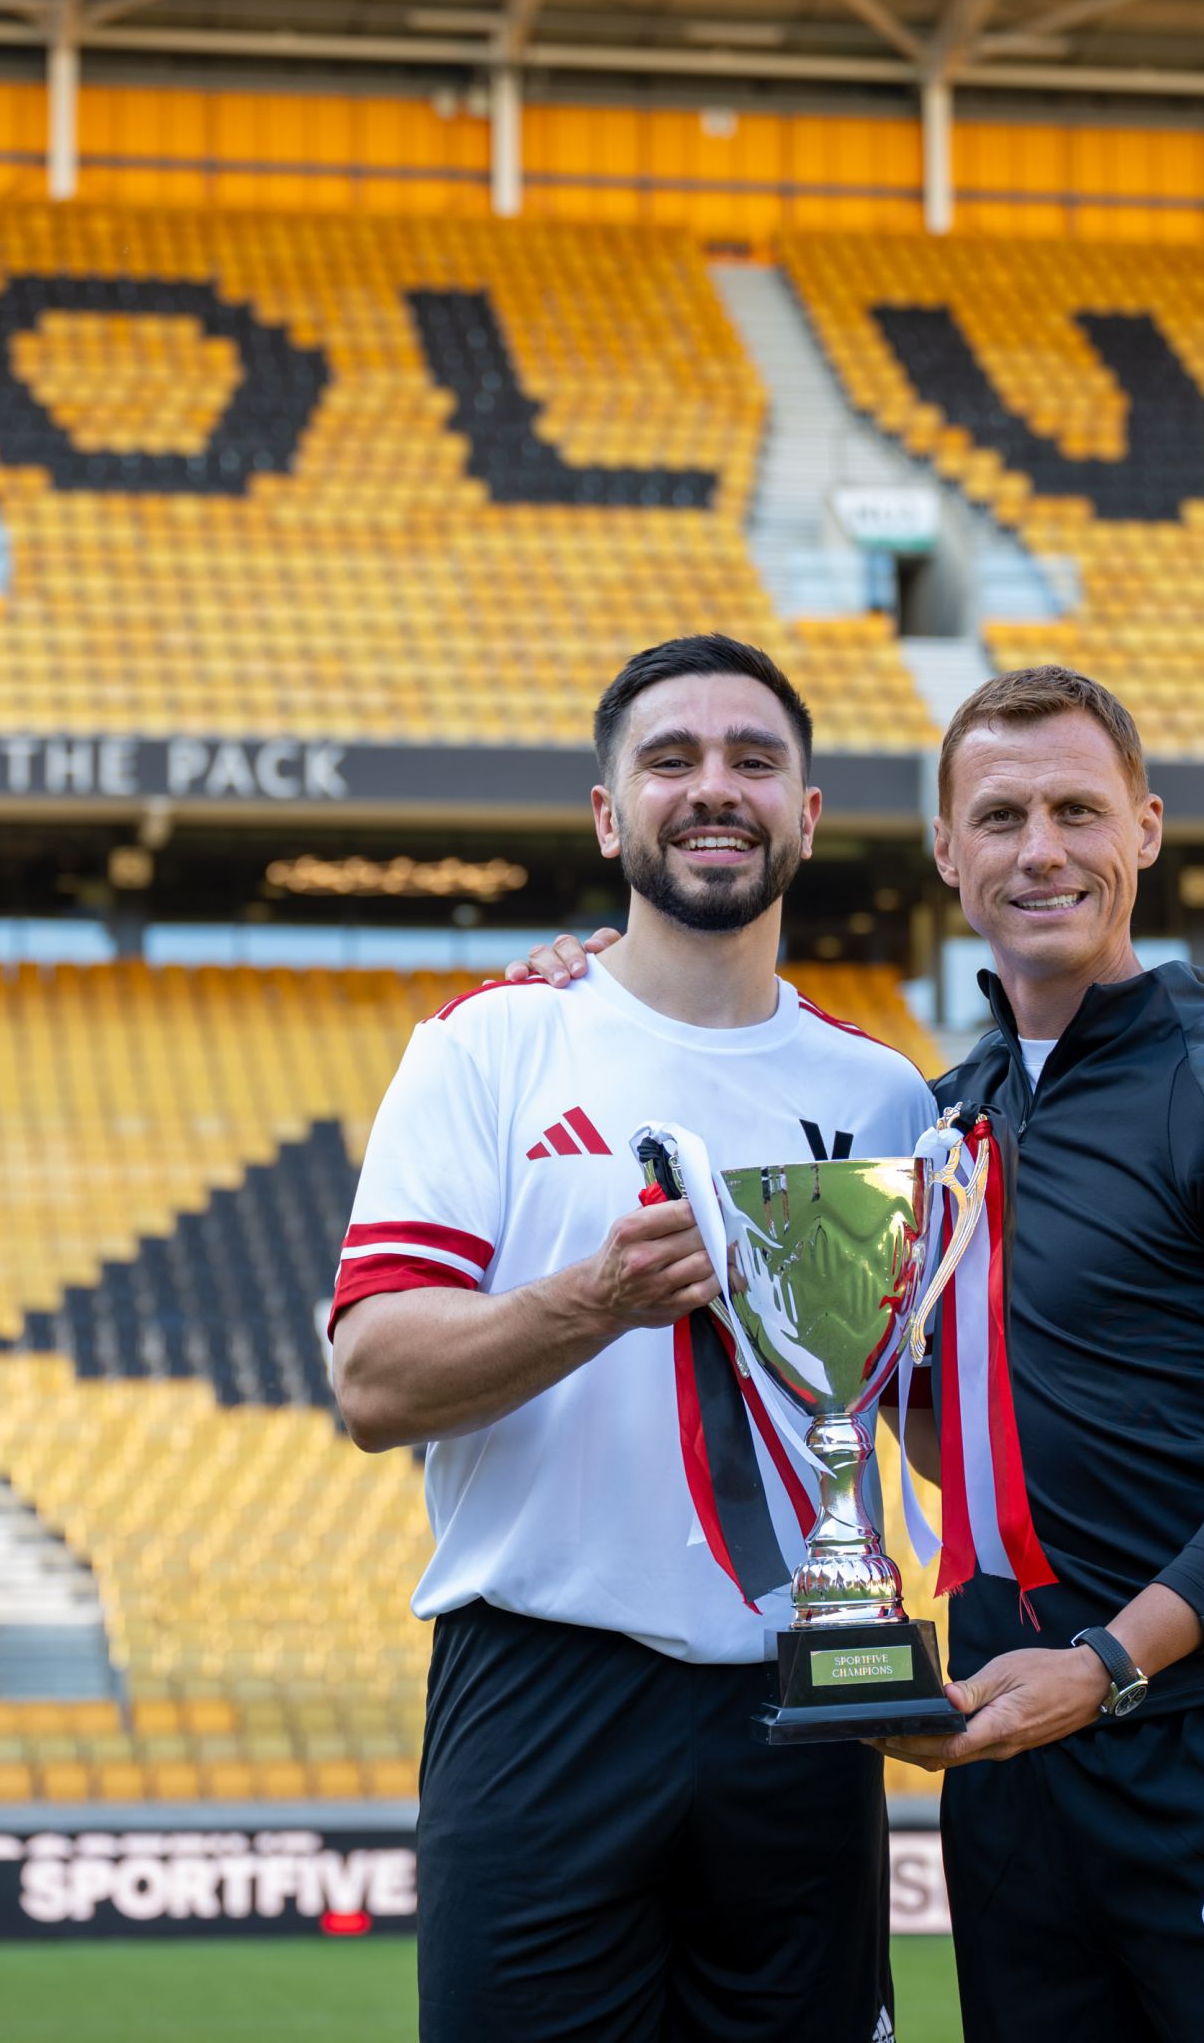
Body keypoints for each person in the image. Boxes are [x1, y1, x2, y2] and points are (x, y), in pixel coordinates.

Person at [514, 665, 1204, 2043]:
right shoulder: (934, 1125)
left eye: (1077, 811)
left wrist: (1108, 1662)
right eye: (1000, 818)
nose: (1040, 850)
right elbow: (938, 1420)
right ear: (948, 852)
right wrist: (587, 989)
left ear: (1145, 830)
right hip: (1009, 1757)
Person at [332, 632, 935, 2043]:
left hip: (807, 1699)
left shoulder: (888, 1097)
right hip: (543, 1692)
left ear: (807, 816)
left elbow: (926, 1418)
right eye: (672, 760)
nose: (714, 787)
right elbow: (372, 1381)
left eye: (753, 761)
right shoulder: (487, 1046)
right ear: (610, 817)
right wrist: (593, 1301)